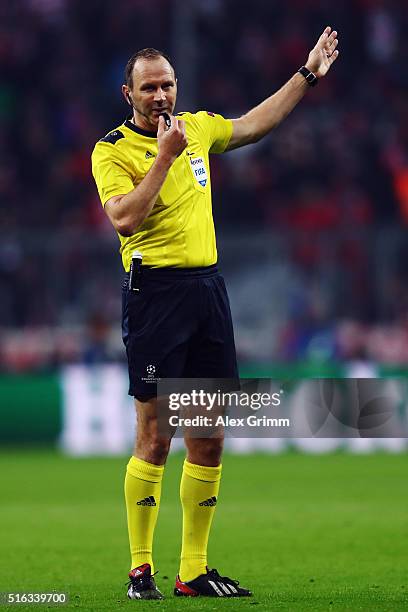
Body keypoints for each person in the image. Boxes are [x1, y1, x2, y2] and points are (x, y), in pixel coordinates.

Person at [91, 26, 339, 600]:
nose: (161, 96)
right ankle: (140, 569)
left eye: (168, 85)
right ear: (128, 95)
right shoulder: (112, 150)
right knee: (155, 435)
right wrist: (163, 159)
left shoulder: (197, 128)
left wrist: (306, 74)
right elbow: (124, 219)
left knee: (208, 436)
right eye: (149, 88)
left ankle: (194, 570)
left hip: (207, 293)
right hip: (154, 296)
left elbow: (255, 123)